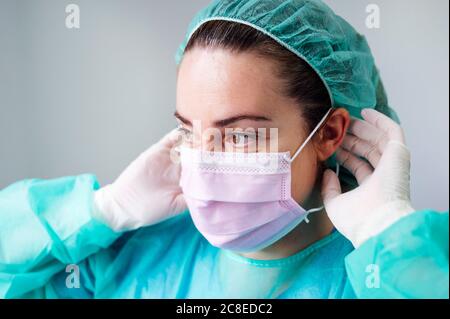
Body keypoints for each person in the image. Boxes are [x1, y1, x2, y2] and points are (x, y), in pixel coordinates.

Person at [0, 0, 448, 299]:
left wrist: (391, 236)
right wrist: (102, 210)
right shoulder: (130, 262)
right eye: (190, 132)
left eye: (240, 135)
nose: (205, 160)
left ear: (329, 133)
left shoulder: (382, 274)